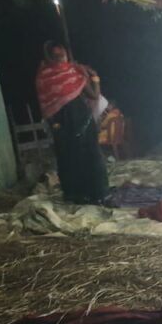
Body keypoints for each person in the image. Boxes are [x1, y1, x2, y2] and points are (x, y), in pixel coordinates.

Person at [35, 42, 109, 204]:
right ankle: (76, 195)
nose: (60, 59)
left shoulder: (74, 72)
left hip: (82, 121)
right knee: (68, 158)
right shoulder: (43, 77)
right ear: (48, 57)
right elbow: (46, 105)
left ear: (67, 55)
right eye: (55, 56)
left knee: (90, 155)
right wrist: (54, 125)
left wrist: (94, 77)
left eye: (62, 55)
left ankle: (98, 194)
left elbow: (93, 95)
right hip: (61, 126)